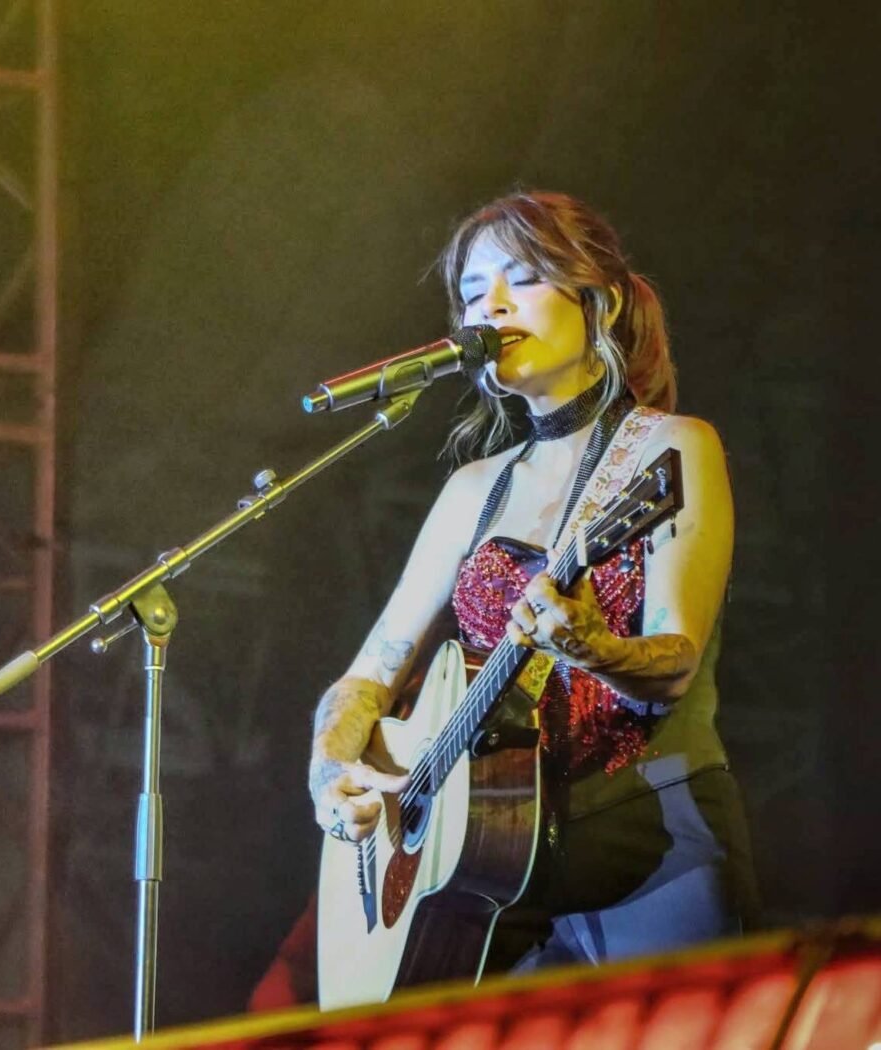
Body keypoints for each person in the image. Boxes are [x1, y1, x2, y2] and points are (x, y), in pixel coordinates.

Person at [307, 189, 758, 972]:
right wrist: (331, 775)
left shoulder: (673, 449)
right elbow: (363, 681)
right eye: (474, 293)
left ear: (600, 301)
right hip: (496, 866)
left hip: (652, 838)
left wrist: (586, 643)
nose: (491, 307)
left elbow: (674, 664)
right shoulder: (472, 489)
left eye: (520, 279)